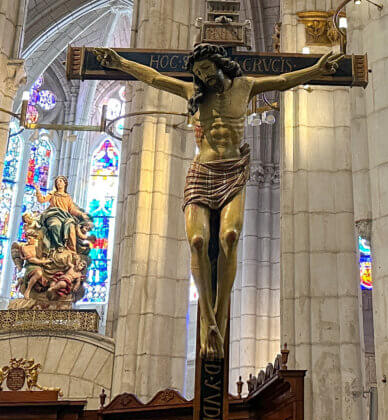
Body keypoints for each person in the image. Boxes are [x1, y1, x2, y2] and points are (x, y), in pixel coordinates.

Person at [94, 43, 340, 359]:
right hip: (202, 170)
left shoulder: (245, 86)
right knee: (197, 241)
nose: (203, 78)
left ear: (218, 65)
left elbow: (282, 81)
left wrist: (316, 71)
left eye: (206, 70)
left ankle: (219, 320)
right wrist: (122, 63)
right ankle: (208, 319)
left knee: (230, 236)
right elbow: (154, 78)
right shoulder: (192, 93)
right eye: (198, 74)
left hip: (233, 171)